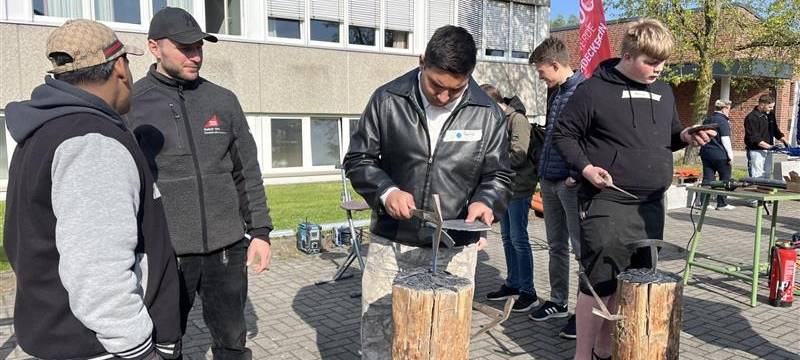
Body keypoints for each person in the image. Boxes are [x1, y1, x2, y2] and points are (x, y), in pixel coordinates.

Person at [4, 19, 181, 359]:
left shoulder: (44, 129)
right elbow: (99, 275)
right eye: (128, 63)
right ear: (119, 67)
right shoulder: (91, 142)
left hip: (55, 334)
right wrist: (140, 351)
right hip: (100, 347)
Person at [344, 25, 513, 360]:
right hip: (392, 244)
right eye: (436, 85)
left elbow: (499, 175)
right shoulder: (387, 100)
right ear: (422, 61)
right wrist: (386, 190)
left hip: (455, 249)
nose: (443, 97)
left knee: (445, 339)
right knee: (380, 334)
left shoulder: (488, 113)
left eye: (455, 89)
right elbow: (358, 159)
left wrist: (486, 200)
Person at [552, 19, 715, 360]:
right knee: (600, 284)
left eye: (663, 63)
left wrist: (685, 135)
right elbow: (564, 134)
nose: (659, 69)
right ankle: (582, 355)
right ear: (627, 55)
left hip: (650, 206)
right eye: (651, 62)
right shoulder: (593, 90)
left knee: (632, 283)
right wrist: (586, 168)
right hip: (607, 200)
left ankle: (604, 351)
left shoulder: (664, 91)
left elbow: (668, 136)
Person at [126, 7, 273, 358]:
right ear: (154, 47)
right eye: (184, 47)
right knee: (164, 343)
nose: (196, 56)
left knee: (232, 341)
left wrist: (261, 233)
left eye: (200, 47)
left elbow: (246, 171)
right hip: (167, 253)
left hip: (226, 248)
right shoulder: (133, 104)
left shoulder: (222, 100)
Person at [526, 37, 585, 339]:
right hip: (548, 180)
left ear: (555, 64)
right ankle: (558, 301)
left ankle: (583, 312)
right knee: (556, 246)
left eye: (541, 71)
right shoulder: (555, 92)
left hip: (570, 184)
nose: (540, 77)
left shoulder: (585, 92)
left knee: (580, 251)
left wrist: (576, 174)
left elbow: (590, 138)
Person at [480, 84, 539, 312]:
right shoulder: (499, 120)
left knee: (518, 239)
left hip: (519, 188)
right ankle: (513, 283)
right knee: (507, 237)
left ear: (496, 103)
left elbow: (519, 155)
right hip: (504, 189)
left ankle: (528, 291)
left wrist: (491, 161)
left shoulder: (518, 120)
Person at [699, 99, 736, 210]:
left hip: (706, 152)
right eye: (729, 109)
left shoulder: (707, 120)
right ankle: (722, 203)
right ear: (725, 108)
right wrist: (730, 156)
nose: (729, 111)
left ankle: (704, 203)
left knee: (707, 178)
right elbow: (725, 140)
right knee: (724, 178)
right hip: (720, 154)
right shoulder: (723, 121)